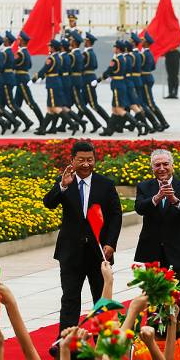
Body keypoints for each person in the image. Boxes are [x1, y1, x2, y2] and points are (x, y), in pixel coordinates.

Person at [43, 140, 122, 335]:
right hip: (71, 254)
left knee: (101, 299)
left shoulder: (106, 185)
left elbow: (115, 215)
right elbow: (49, 203)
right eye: (81, 160)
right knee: (70, 299)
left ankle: (104, 344)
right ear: (72, 160)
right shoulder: (65, 181)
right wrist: (62, 185)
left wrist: (111, 243)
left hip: (99, 254)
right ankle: (66, 343)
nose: (86, 164)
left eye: (90, 160)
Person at [133, 149, 180, 326]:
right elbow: (139, 208)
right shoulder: (144, 187)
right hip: (152, 250)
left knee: (176, 294)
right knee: (153, 294)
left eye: (165, 164)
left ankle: (178, 332)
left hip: (177, 250)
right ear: (152, 168)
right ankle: (153, 333)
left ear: (172, 166)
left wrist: (175, 201)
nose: (161, 168)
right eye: (157, 165)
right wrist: (157, 197)